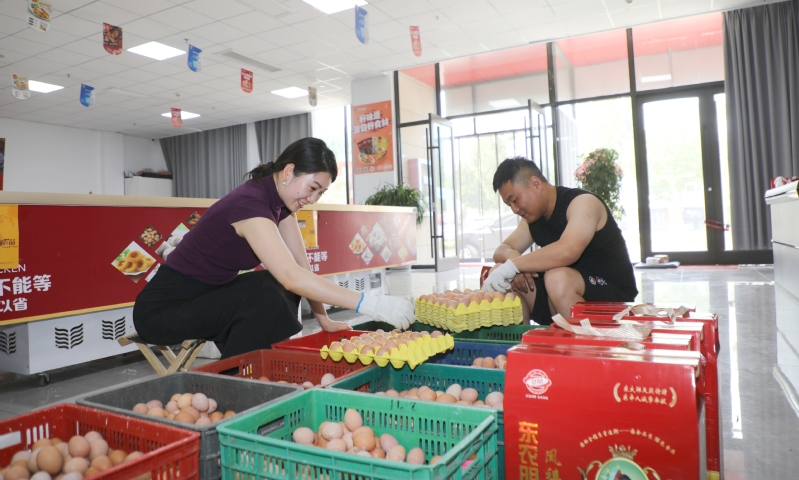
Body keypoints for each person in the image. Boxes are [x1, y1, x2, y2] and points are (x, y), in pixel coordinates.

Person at [133, 138, 415, 359]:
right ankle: (237, 377)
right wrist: (370, 303)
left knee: (275, 287)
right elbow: (291, 276)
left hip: (207, 297)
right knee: (266, 294)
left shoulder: (279, 205)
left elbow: (302, 269)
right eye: (312, 188)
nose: (313, 199)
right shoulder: (251, 205)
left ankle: (251, 370)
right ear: (289, 171)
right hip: (164, 310)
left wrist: (324, 319)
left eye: (321, 193)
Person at [483, 157, 638, 324]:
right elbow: (503, 249)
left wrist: (514, 266)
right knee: (503, 275)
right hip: (559, 297)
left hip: (611, 297)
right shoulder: (532, 219)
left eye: (515, 200)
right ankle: (522, 339)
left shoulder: (583, 203)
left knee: (556, 278)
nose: (514, 209)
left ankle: (583, 340)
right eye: (509, 205)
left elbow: (568, 251)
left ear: (536, 184)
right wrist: (514, 263)